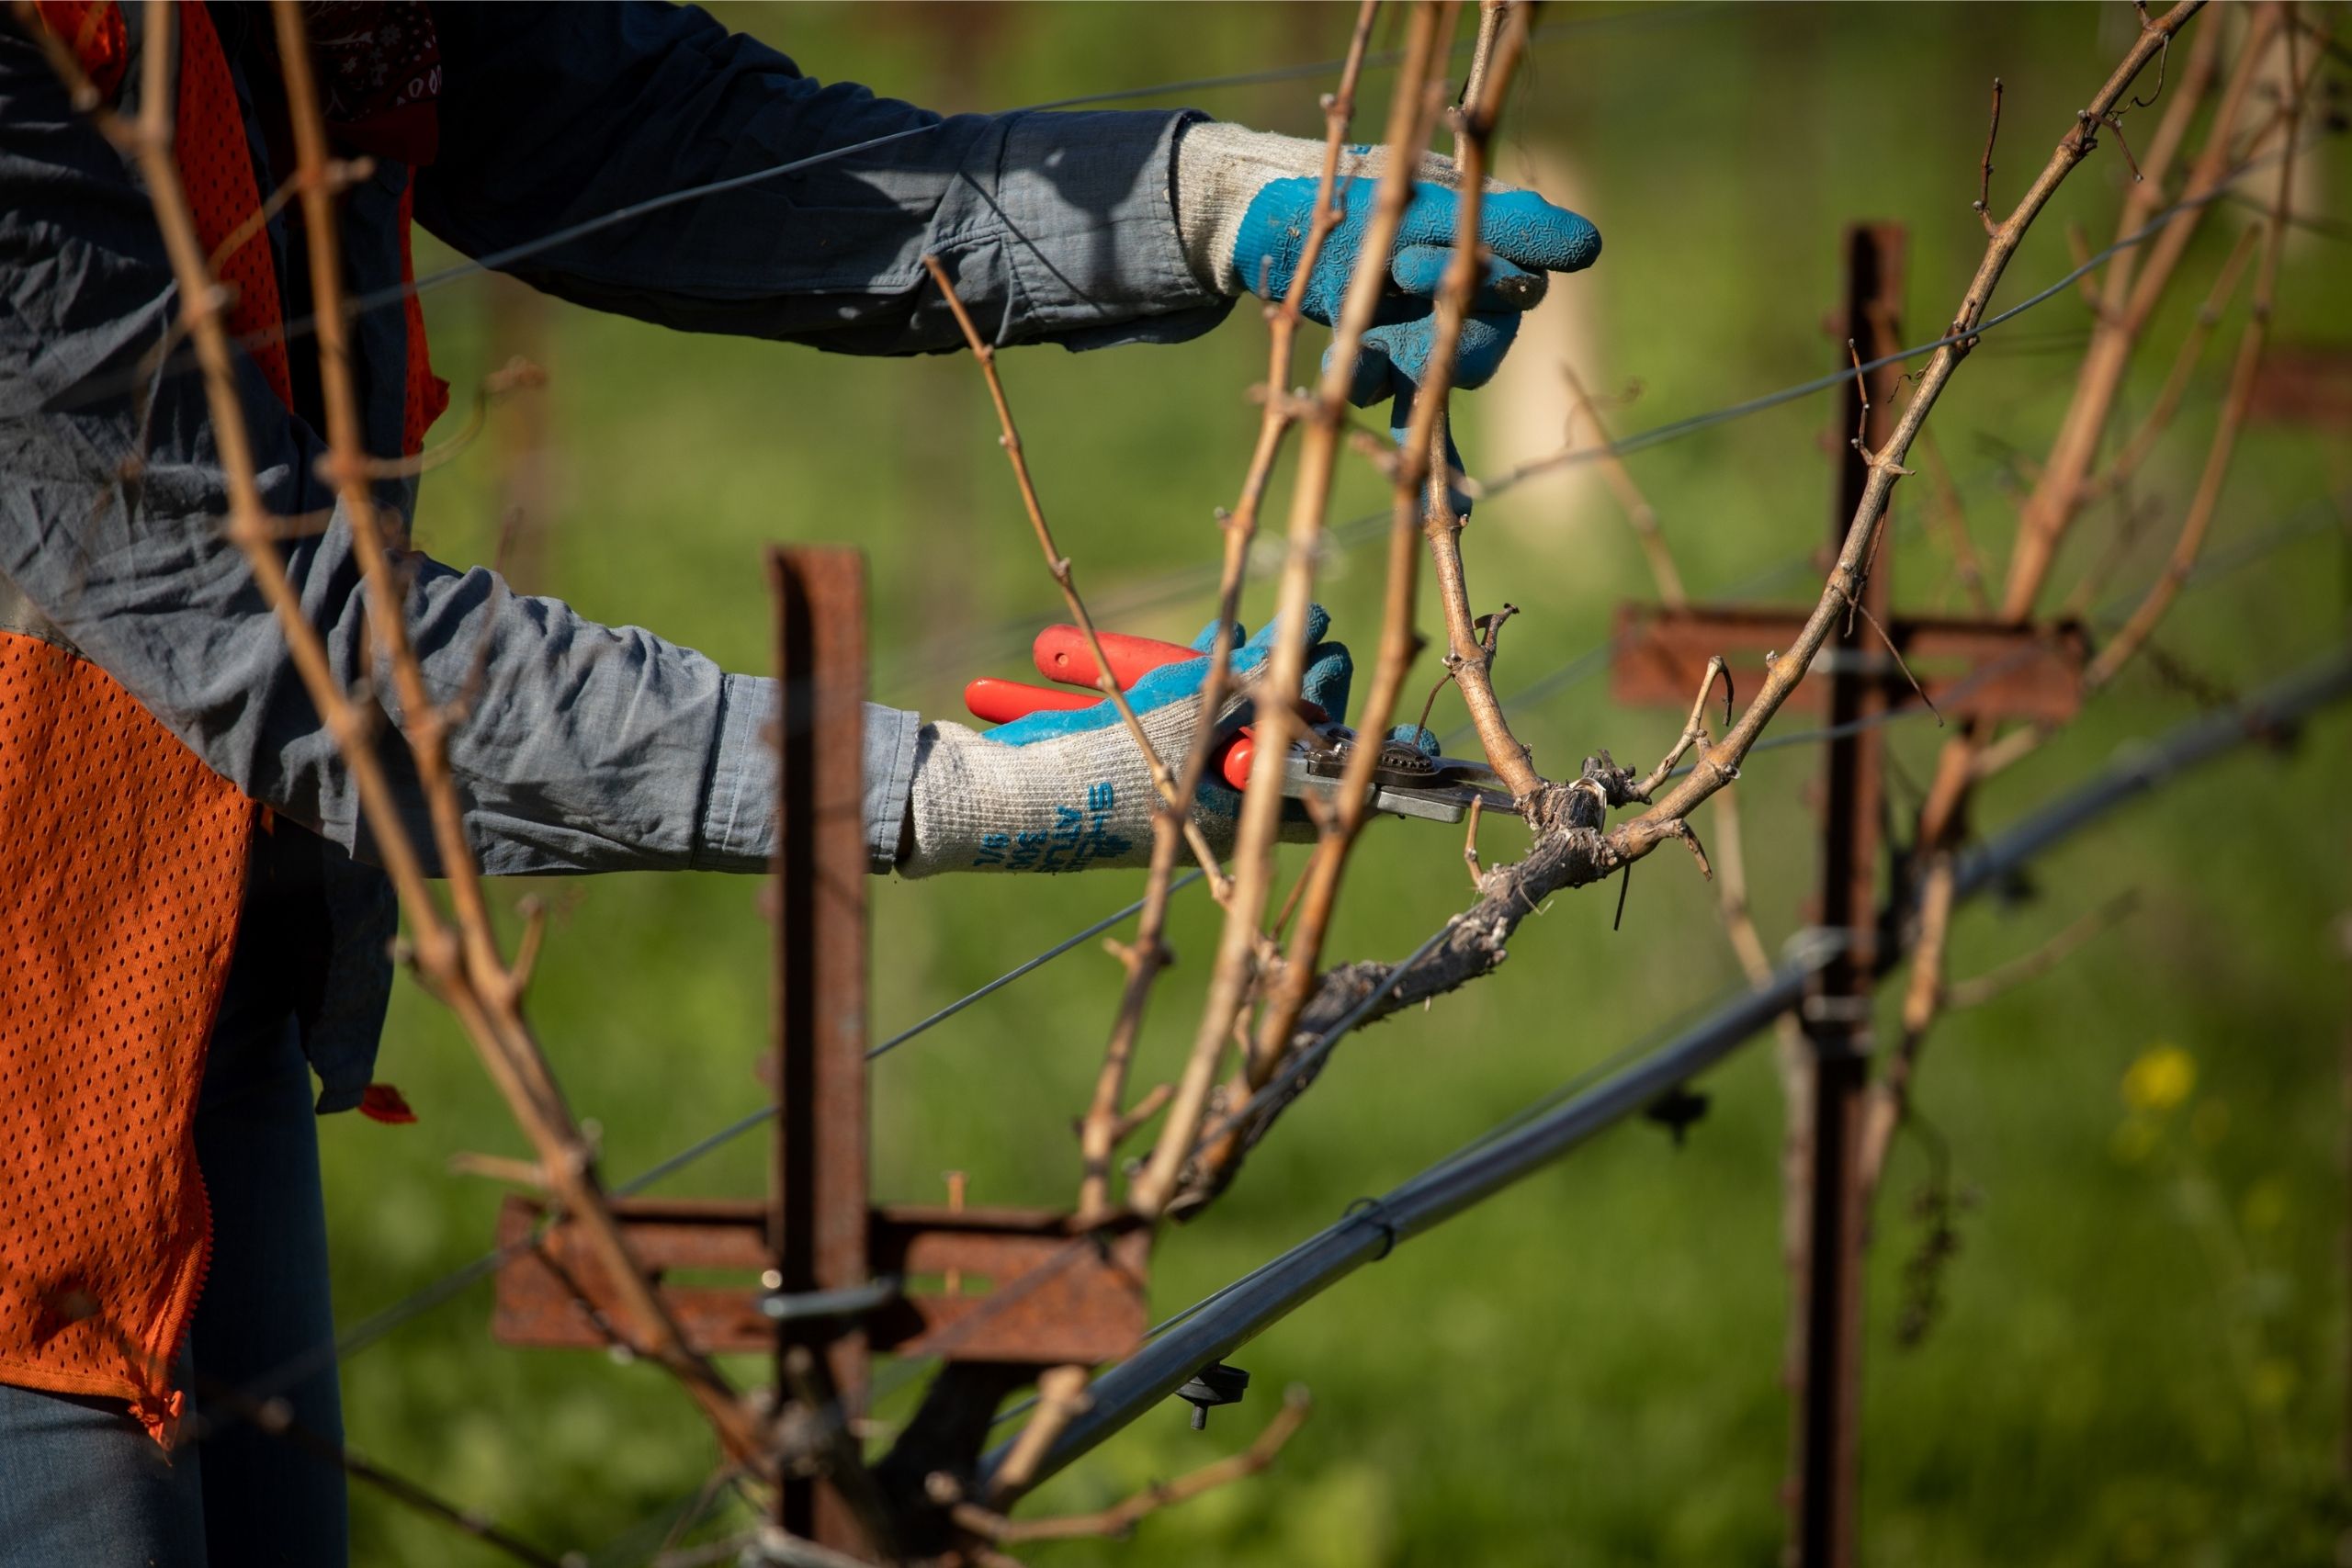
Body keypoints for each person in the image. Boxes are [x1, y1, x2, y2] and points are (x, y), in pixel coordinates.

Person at [0, 3, 1599, 1562]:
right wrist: (956, 790)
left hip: (183, 970)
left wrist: (1215, 199)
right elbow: (274, 624)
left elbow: (642, 128)